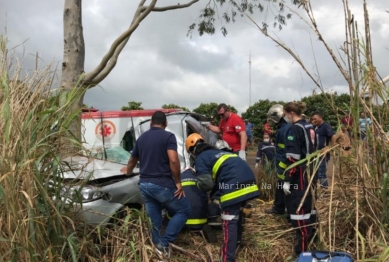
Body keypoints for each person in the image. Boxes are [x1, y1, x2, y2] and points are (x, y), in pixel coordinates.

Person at [121, 111, 191, 259]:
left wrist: (127, 172)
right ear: (165, 124)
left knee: (155, 219)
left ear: (151, 123)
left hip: (144, 185)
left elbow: (132, 160)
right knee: (184, 210)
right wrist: (178, 182)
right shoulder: (168, 136)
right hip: (162, 184)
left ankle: (157, 250)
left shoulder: (141, 138)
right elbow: (173, 160)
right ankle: (164, 244)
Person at [185, 133, 260, 262]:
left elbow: (207, 183)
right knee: (237, 214)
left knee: (228, 220)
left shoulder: (201, 158)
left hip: (233, 184)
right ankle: (236, 242)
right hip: (249, 181)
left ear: (192, 150)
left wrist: (197, 185)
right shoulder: (218, 153)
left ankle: (228, 258)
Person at [283, 101, 317, 257]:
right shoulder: (309, 126)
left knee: (299, 209)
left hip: (300, 173)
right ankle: (314, 238)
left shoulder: (294, 129)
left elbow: (293, 158)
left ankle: (303, 251)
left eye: (285, 114)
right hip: (312, 169)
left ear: (290, 113)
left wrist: (288, 179)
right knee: (310, 206)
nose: (284, 117)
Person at [265, 104, 292, 215]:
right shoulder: (283, 128)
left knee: (284, 187)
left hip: (284, 164)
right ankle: (279, 208)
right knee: (280, 187)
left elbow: (287, 149)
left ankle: (284, 210)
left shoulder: (285, 129)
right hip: (282, 163)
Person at [310, 111, 336, 188]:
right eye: (312, 119)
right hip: (315, 154)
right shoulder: (314, 127)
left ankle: (325, 190)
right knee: (314, 173)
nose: (313, 120)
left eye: (315, 119)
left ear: (320, 118)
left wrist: (329, 147)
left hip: (322, 154)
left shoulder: (326, 126)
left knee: (321, 173)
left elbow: (333, 136)